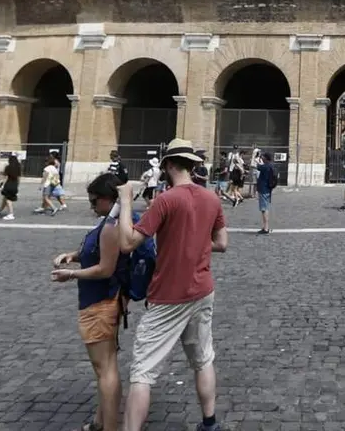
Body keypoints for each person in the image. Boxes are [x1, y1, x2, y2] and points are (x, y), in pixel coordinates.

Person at [116, 139, 228, 431]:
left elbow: (128, 243)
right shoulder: (212, 198)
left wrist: (127, 202)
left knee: (142, 372)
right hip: (202, 290)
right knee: (203, 359)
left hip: (168, 296)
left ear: (167, 165)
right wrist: (193, 240)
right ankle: (209, 423)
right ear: (192, 165)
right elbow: (222, 243)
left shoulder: (166, 200)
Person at [51, 172, 125, 431]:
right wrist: (73, 256)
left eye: (94, 201)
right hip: (106, 301)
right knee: (106, 368)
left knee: (104, 369)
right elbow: (97, 254)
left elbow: (105, 268)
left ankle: (110, 427)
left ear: (108, 199)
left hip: (100, 303)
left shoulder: (110, 227)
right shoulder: (111, 222)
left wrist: (70, 274)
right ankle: (100, 420)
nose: (92, 206)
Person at [0, 154, 20, 220]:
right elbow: (19, 178)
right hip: (15, 184)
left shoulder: (8, 167)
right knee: (5, 199)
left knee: (8, 200)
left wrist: (2, 185)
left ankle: (11, 214)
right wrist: (17, 186)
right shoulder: (18, 167)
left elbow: (6, 177)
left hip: (8, 184)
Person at [256, 151, 275, 235]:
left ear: (266, 158)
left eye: (263, 157)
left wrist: (255, 158)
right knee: (265, 208)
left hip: (263, 189)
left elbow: (256, 166)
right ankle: (265, 227)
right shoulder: (270, 165)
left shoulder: (265, 166)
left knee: (264, 209)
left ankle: (266, 228)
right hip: (268, 189)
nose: (261, 158)